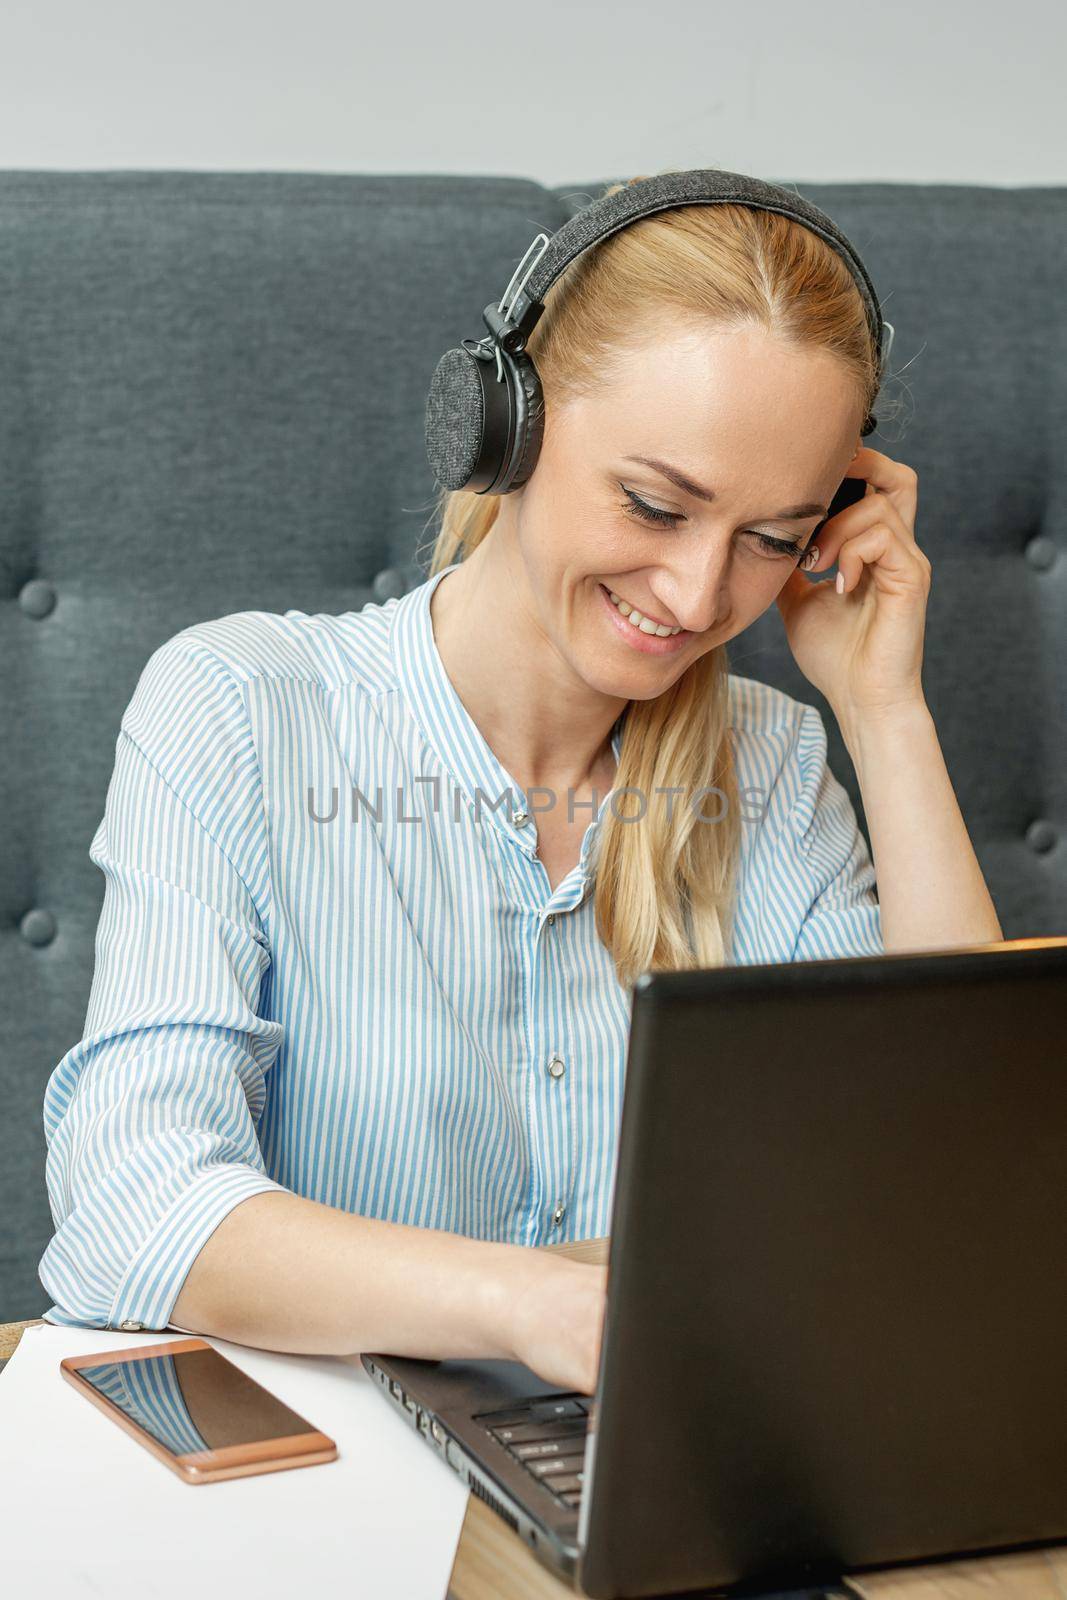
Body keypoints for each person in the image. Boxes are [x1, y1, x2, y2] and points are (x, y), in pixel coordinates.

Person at [38, 175, 1002, 1398]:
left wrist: (882, 709)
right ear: (509, 427)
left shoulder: (771, 763)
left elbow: (953, 1177)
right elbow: (135, 1198)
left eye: (769, 537)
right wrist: (525, 1299)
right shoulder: (241, 706)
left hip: (656, 1482)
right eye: (654, 504)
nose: (700, 597)